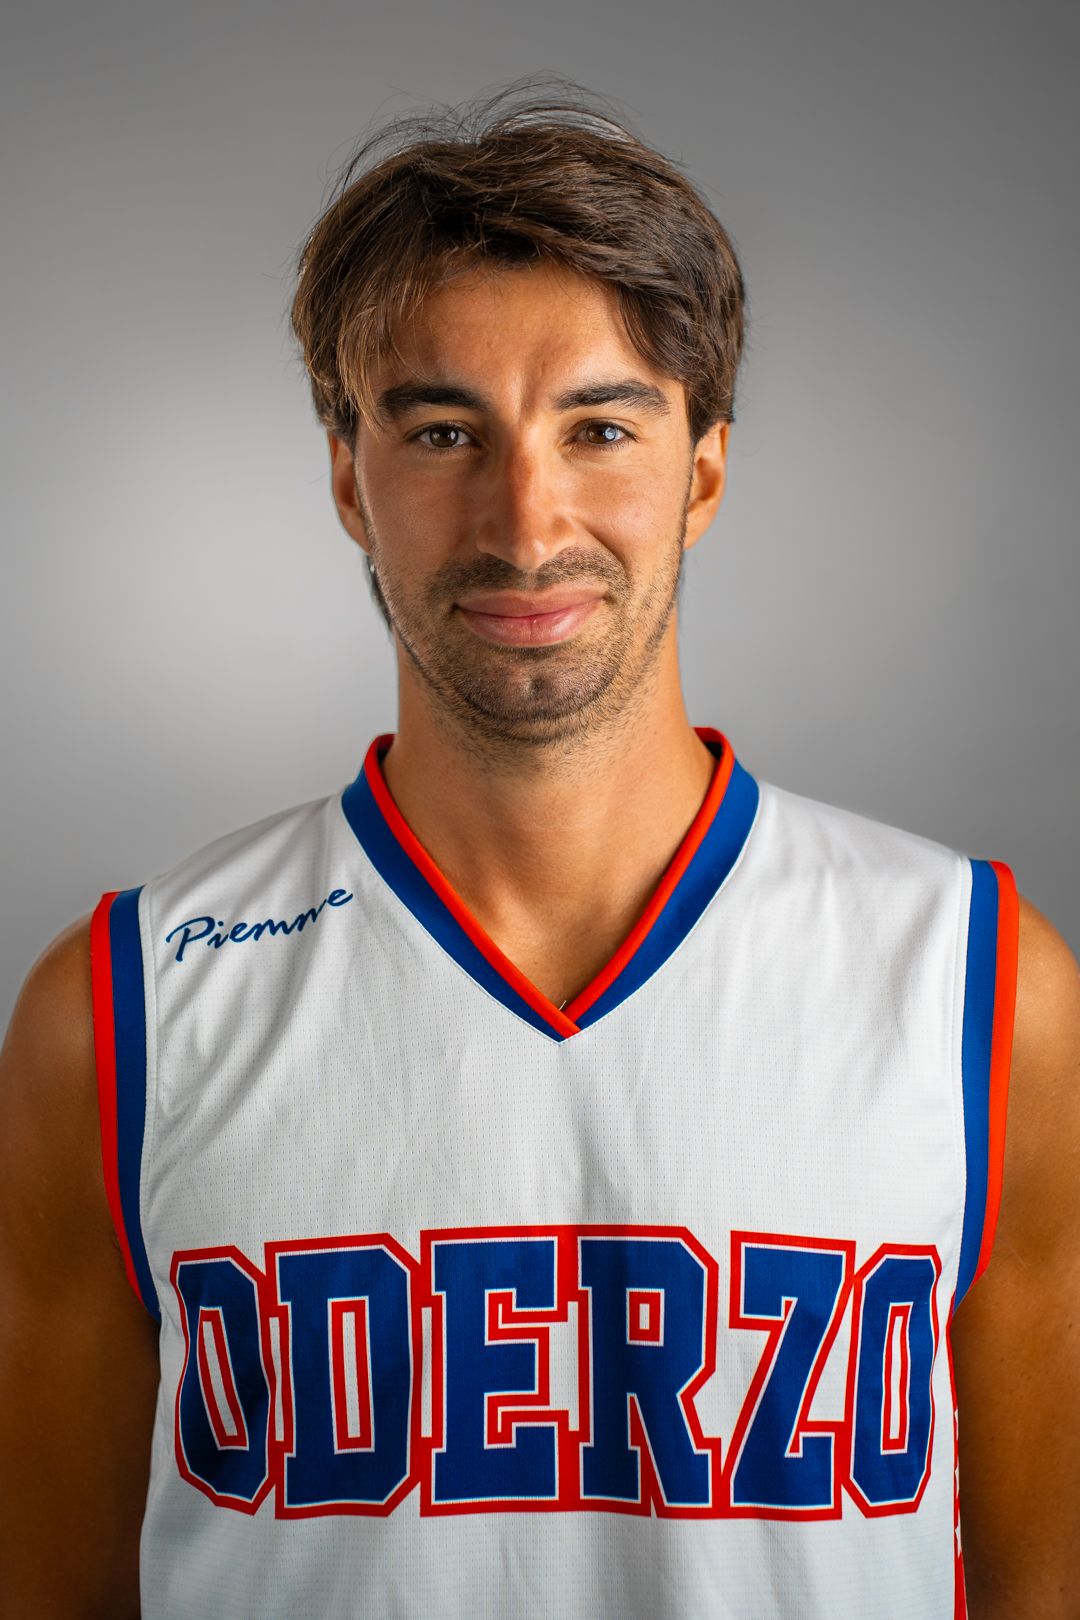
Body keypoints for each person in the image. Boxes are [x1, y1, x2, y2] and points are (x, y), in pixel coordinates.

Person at [1, 85, 1078, 1620]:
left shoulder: (982, 990)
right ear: (346, 476)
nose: (524, 521)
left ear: (705, 470)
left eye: (601, 429)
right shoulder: (121, 1016)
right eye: (445, 432)